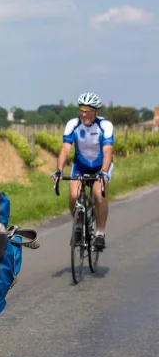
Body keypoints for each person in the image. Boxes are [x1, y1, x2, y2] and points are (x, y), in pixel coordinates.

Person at [51, 92, 114, 251]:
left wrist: (104, 173)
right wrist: (59, 170)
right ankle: (79, 225)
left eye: (88, 110)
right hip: (80, 166)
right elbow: (65, 149)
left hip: (101, 166)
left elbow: (107, 152)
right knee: (73, 196)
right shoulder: (73, 124)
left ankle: (100, 233)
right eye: (81, 109)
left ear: (97, 111)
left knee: (98, 195)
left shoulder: (105, 126)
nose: (83, 114)